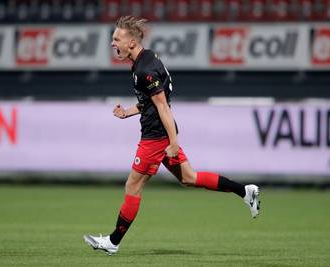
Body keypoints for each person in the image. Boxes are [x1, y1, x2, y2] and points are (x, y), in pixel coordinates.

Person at [83, 15, 260, 255]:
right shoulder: (146, 59)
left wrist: (173, 143)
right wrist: (127, 112)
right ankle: (245, 191)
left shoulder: (145, 69)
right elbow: (151, 101)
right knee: (189, 177)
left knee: (132, 186)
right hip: (162, 134)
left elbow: (163, 106)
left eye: (117, 39)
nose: (112, 43)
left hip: (155, 137)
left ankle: (113, 242)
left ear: (132, 43)